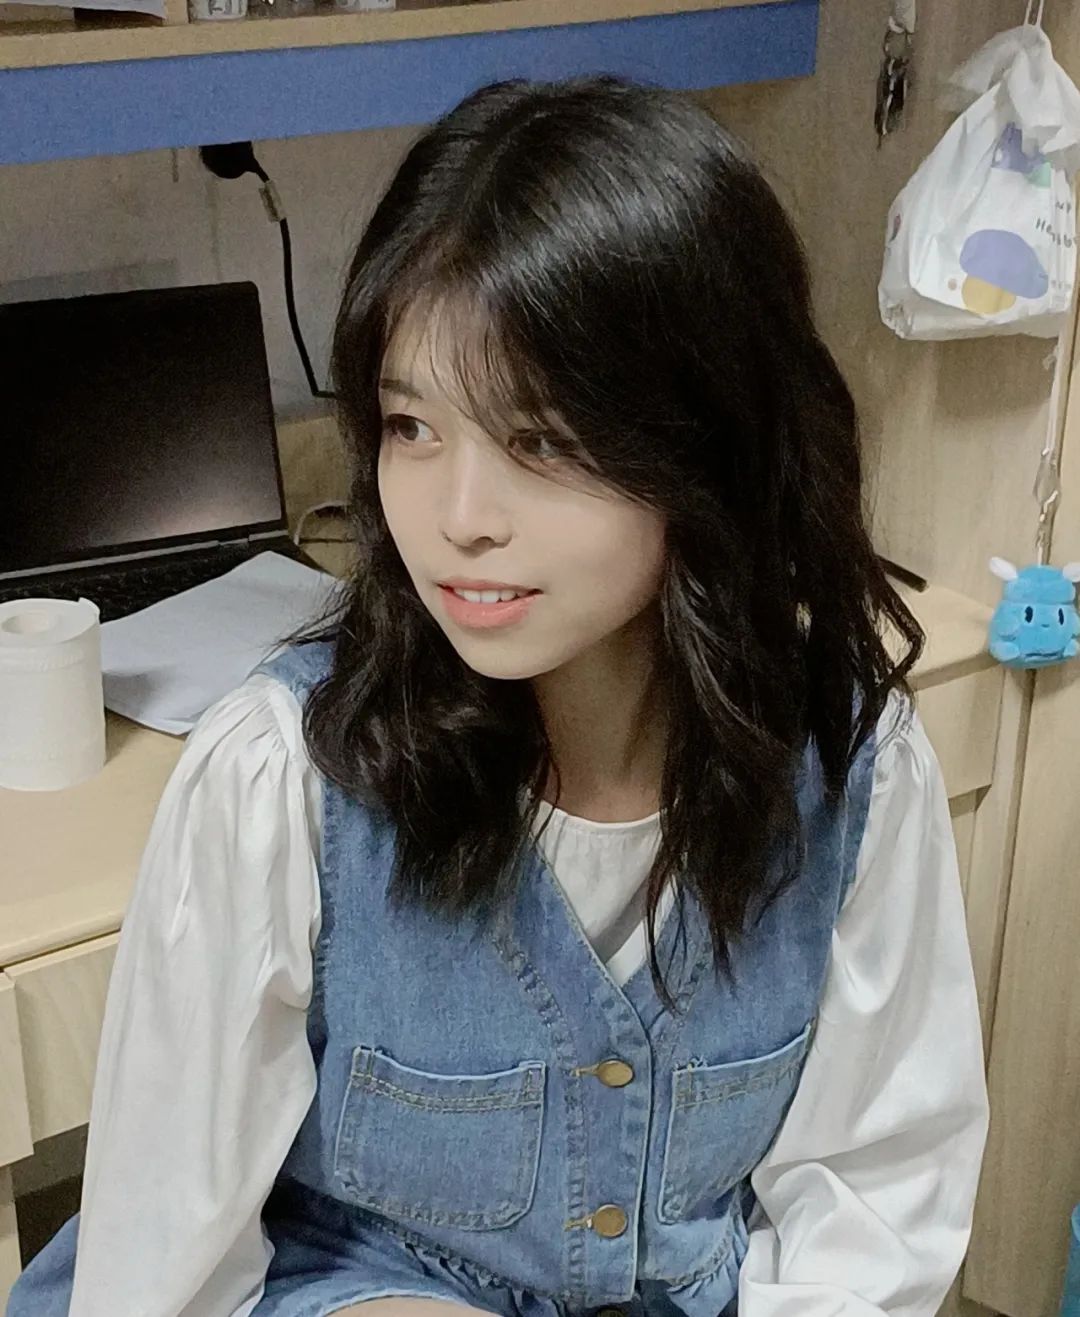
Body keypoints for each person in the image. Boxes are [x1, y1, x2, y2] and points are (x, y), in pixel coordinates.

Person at [8, 76, 988, 1317]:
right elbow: (163, 1268)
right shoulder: (282, 780)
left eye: (541, 440)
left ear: (710, 436)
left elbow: (873, 1206)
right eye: (412, 426)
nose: (458, 518)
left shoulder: (848, 765)